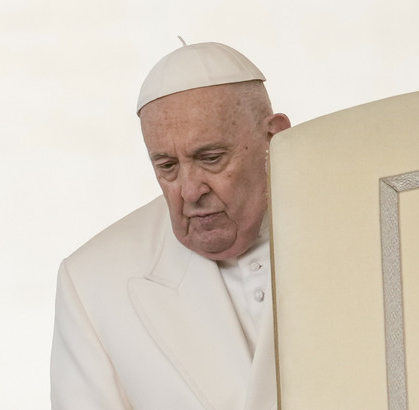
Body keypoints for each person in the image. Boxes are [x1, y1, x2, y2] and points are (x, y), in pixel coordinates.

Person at [50, 41, 291, 410]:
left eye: (210, 158)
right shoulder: (92, 280)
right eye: (167, 167)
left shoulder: (366, 222)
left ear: (274, 138)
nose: (190, 191)